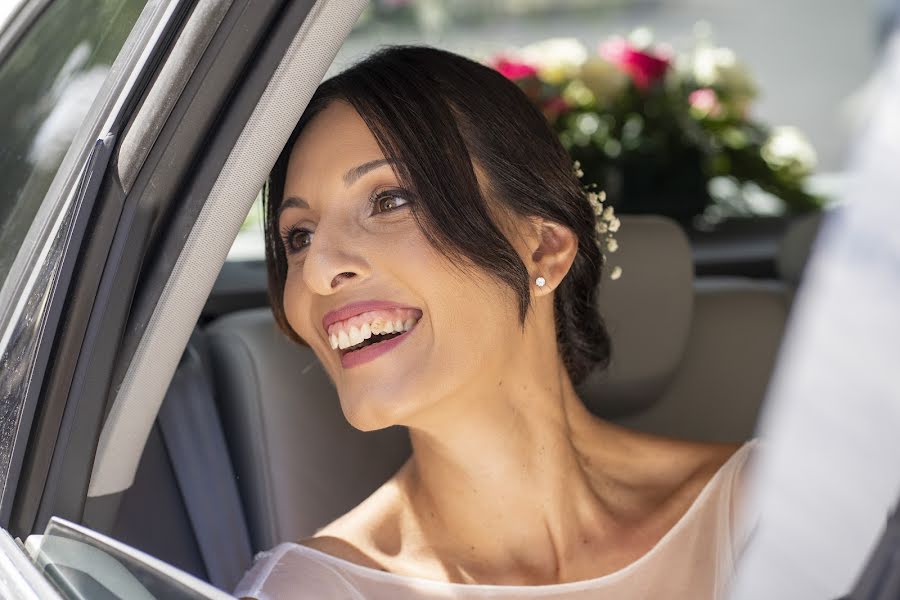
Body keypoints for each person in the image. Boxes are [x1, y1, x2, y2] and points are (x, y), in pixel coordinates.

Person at [233, 45, 757, 599]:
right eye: (298, 236)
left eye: (388, 200)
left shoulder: (766, 510)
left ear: (544, 249)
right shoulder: (306, 592)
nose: (317, 271)